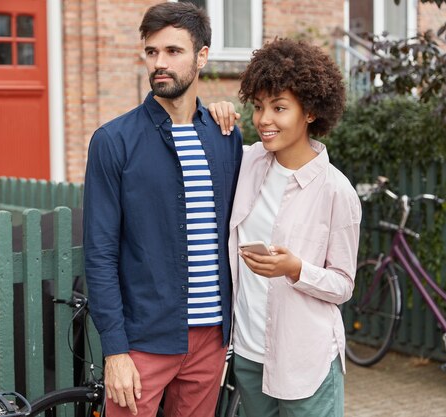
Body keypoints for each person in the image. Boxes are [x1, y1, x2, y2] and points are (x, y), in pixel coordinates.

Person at [83, 2, 243, 416]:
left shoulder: (226, 137)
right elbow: (100, 254)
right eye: (152, 52)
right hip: (143, 343)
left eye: (173, 51)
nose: (160, 63)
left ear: (202, 57)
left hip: (211, 340)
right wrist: (115, 350)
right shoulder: (113, 141)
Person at [208, 39, 362, 416]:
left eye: (279, 108)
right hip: (247, 352)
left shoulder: (336, 191)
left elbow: (342, 284)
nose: (264, 120)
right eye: (258, 107)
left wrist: (296, 270)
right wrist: (212, 113)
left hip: (304, 360)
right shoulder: (246, 162)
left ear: (309, 111)